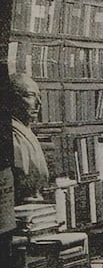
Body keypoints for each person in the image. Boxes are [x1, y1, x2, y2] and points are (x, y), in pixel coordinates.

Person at [10, 74, 49, 204]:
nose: (39, 103)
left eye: (39, 96)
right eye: (31, 95)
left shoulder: (27, 131)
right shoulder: (10, 135)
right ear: (12, 99)